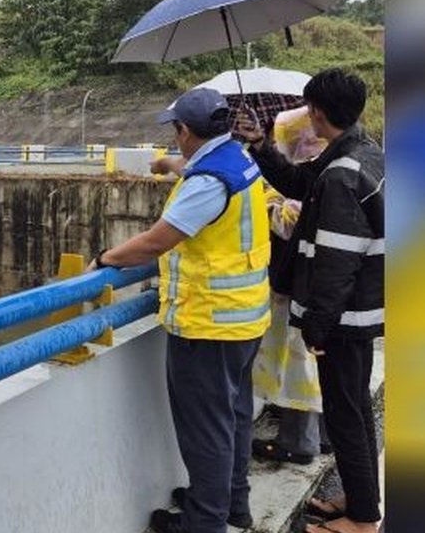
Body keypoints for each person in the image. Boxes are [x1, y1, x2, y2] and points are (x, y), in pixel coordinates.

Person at [87, 87, 271, 533]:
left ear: (185, 131)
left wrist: (104, 260)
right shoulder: (239, 159)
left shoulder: (207, 182)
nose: (174, 139)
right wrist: (172, 167)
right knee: (234, 416)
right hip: (245, 317)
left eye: (175, 132)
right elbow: (202, 174)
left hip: (208, 323)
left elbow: (156, 241)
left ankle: (205, 522)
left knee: (205, 430)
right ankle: (230, 503)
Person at [234, 69, 384, 533]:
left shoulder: (342, 174)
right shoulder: (363, 152)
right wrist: (261, 145)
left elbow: (337, 261)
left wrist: (317, 327)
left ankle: (360, 521)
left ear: (316, 112)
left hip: (344, 316)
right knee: (353, 405)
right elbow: (301, 182)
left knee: (344, 412)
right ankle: (363, 499)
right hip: (362, 310)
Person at [251, 107, 330, 467]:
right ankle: (324, 436)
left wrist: (269, 201)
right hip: (321, 289)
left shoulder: (310, 177)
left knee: (301, 365)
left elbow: (289, 223)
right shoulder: (330, 166)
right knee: (316, 364)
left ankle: (300, 442)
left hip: (301, 289)